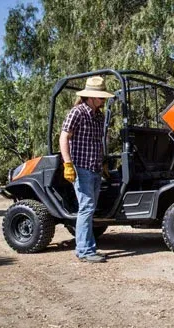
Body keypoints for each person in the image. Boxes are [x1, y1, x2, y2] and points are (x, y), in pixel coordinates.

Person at [59, 76, 114, 263]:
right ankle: (84, 250)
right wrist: (67, 164)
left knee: (90, 209)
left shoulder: (99, 116)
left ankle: (88, 248)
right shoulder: (77, 112)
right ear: (90, 96)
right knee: (87, 208)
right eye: (100, 97)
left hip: (95, 168)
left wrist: (104, 162)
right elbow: (64, 137)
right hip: (81, 167)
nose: (103, 100)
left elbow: (99, 142)